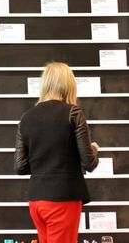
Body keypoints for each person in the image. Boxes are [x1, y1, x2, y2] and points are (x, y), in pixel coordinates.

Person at [14, 62, 99, 243]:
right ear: (69, 85)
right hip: (63, 198)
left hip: (36, 201)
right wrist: (93, 148)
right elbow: (89, 163)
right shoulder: (73, 113)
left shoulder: (26, 118)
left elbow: (20, 167)